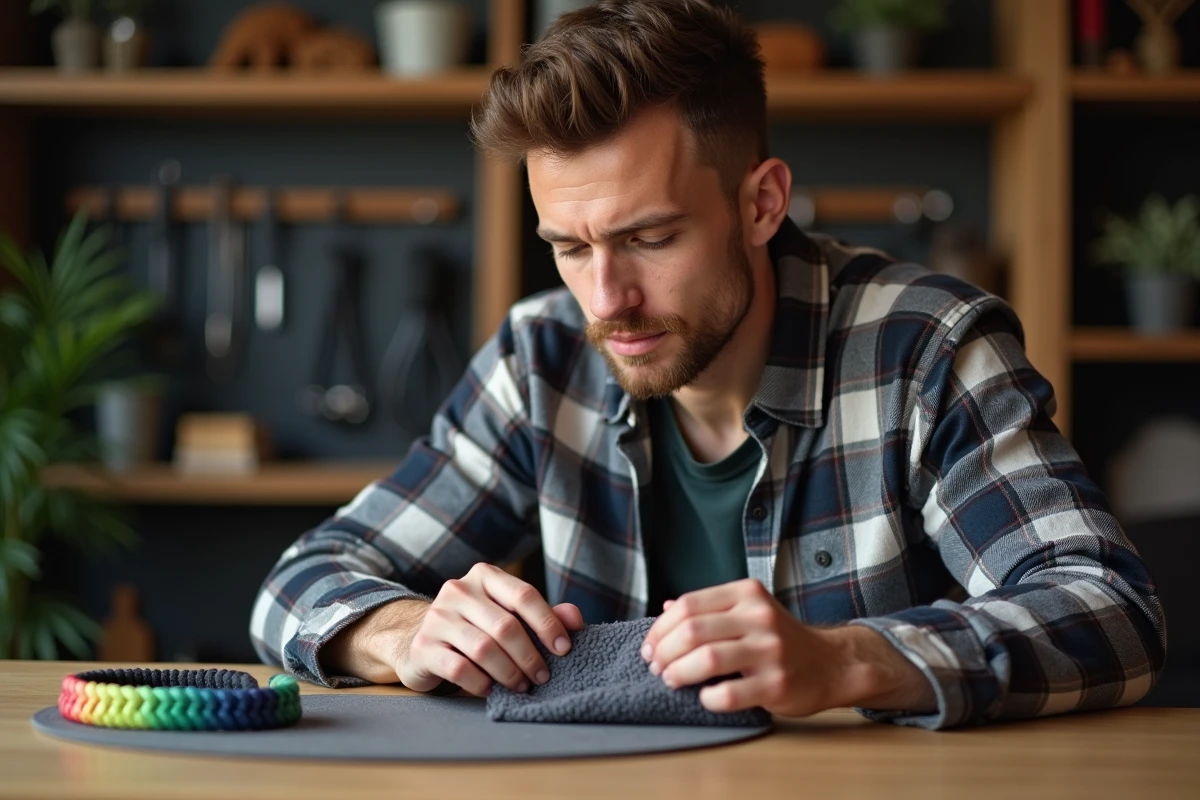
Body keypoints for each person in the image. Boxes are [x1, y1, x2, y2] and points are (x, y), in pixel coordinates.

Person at [251, 0, 1165, 729]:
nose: (605, 298)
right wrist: (400, 630)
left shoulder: (926, 347)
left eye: (649, 237)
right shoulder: (541, 358)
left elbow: (1109, 611)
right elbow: (302, 580)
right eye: (569, 247)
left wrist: (848, 659)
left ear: (762, 203)